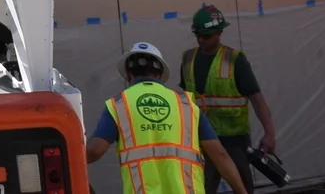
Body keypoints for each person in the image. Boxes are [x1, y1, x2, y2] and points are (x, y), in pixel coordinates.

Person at [88, 42, 253, 194]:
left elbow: (94, 151)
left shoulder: (119, 105)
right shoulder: (187, 105)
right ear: (160, 75)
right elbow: (219, 154)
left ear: (129, 75)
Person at [174, 6, 276, 189]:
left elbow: (258, 101)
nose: (200, 40)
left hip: (234, 143)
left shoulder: (235, 60)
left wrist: (269, 134)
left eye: (206, 36)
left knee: (242, 188)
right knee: (200, 188)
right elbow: (185, 101)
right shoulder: (188, 59)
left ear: (220, 32)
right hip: (203, 142)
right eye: (198, 35)